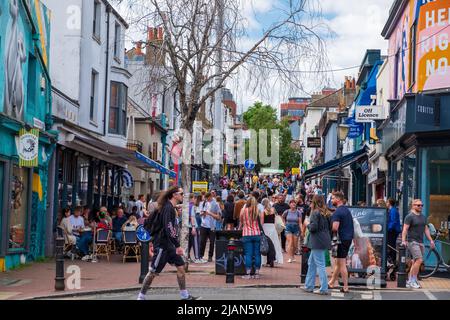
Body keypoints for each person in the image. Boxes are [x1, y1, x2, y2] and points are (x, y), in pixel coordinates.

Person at [137, 186, 199, 300]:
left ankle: (184, 295)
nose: (182, 196)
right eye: (181, 193)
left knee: (181, 266)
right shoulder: (168, 208)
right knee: (153, 272)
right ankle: (141, 296)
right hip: (162, 245)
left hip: (169, 245)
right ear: (174, 195)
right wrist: (178, 246)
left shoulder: (170, 207)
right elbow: (168, 227)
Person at [401, 199, 435, 289]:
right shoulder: (409, 216)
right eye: (418, 205)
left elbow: (426, 229)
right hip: (412, 241)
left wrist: (431, 240)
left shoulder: (423, 217)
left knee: (415, 261)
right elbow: (405, 229)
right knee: (419, 260)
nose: (420, 207)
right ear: (413, 205)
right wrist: (403, 240)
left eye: (421, 205)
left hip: (420, 242)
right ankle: (413, 280)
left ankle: (409, 281)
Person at [303, 195, 332, 295]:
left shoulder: (315, 213)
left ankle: (323, 288)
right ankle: (308, 286)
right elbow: (330, 227)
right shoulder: (326, 213)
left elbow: (313, 228)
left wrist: (307, 223)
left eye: (311, 201)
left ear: (314, 202)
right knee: (311, 263)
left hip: (317, 241)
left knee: (320, 265)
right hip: (324, 239)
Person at [329, 191, 354, 293]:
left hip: (340, 239)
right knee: (339, 263)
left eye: (333, 198)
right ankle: (331, 282)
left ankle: (345, 287)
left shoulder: (337, 212)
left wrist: (329, 229)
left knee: (341, 263)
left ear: (338, 199)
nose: (331, 200)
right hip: (347, 239)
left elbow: (335, 227)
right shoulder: (347, 210)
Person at [239, 196, 264, 279]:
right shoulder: (258, 210)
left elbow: (241, 222)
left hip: (246, 234)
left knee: (248, 254)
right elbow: (261, 223)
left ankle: (248, 273)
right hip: (257, 233)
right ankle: (257, 273)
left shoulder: (243, 210)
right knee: (257, 254)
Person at [199, 192, 221, 263]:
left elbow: (218, 217)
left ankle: (210, 256)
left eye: (208, 198)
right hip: (203, 225)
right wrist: (202, 213)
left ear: (211, 197)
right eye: (206, 198)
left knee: (212, 242)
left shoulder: (216, 204)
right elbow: (200, 214)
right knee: (202, 241)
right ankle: (200, 256)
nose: (207, 200)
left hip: (212, 226)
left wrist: (210, 213)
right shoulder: (203, 203)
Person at [261, 198, 283, 266]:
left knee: (265, 244)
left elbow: (262, 222)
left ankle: (264, 261)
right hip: (272, 228)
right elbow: (275, 219)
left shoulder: (263, 211)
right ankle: (275, 259)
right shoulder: (273, 210)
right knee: (274, 243)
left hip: (265, 227)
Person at [187, 194, 203, 263]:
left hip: (189, 226)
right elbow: (192, 217)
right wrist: (193, 227)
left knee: (190, 244)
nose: (195, 199)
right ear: (191, 198)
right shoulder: (192, 206)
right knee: (196, 243)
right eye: (194, 198)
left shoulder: (187, 206)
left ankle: (189, 257)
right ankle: (197, 258)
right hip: (193, 226)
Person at [386, 198, 401, 264]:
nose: (386, 203)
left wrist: (388, 229)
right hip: (392, 230)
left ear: (389, 203)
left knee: (391, 245)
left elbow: (393, 221)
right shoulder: (392, 210)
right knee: (391, 244)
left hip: (393, 230)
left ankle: (393, 260)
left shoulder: (393, 210)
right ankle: (392, 259)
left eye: (387, 202)